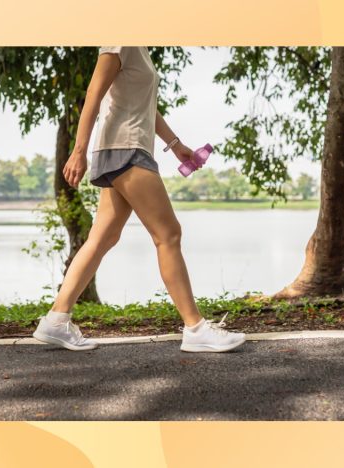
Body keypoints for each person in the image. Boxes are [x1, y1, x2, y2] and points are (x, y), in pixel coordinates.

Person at [32, 46, 246, 353]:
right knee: (168, 234)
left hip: (123, 149)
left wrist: (175, 145)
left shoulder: (138, 47)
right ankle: (196, 328)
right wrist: (78, 151)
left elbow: (145, 105)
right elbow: (93, 94)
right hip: (126, 149)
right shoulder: (119, 41)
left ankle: (56, 319)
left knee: (102, 238)